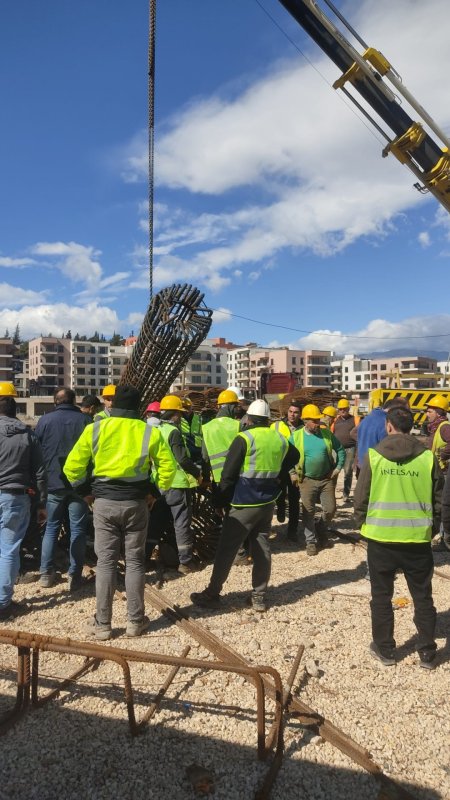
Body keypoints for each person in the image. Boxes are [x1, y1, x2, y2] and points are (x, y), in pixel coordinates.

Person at [64, 385, 175, 640]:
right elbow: (168, 469)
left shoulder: (95, 429)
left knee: (105, 563)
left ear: (111, 406)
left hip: (104, 503)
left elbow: (71, 468)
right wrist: (154, 493)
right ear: (137, 407)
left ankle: (103, 624)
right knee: (135, 562)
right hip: (137, 504)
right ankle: (136, 621)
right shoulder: (150, 432)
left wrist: (86, 493)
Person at [354, 406, 443, 670]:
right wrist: (431, 526)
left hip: (381, 540)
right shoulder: (427, 458)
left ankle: (385, 650)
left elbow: (361, 497)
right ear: (411, 426)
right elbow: (439, 499)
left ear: (389, 427)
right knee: (423, 596)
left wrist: (362, 524)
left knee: (381, 596)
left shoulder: (375, 457)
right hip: (417, 541)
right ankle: (427, 651)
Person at [191, 399, 299, 612]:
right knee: (262, 549)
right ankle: (258, 596)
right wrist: (279, 476)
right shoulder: (279, 438)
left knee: (226, 550)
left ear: (248, 419)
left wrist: (219, 501)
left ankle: (212, 594)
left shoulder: (244, 438)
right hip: (267, 503)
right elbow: (294, 456)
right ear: (268, 420)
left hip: (243, 503)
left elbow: (228, 475)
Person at [35, 387, 91, 591]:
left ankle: (45, 573)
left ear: (55, 402)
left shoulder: (45, 420)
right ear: (75, 400)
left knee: (51, 528)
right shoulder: (85, 420)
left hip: (53, 484)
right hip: (79, 484)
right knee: (78, 529)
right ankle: (75, 576)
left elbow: (37, 449)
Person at [0, 391, 47, 619]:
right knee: (8, 550)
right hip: (15, 498)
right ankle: (2, 603)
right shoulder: (27, 435)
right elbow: (40, 472)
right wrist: (40, 503)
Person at [156, 395, 202, 574]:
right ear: (174, 414)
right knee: (181, 522)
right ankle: (185, 561)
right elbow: (182, 458)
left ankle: (146, 558)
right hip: (177, 482)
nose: (181, 417)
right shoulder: (173, 432)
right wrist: (197, 472)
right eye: (180, 414)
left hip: (160, 482)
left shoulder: (155, 429)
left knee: (157, 521)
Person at [291, 404, 345, 556]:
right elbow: (286, 457)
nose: (317, 423)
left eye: (318, 420)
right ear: (306, 421)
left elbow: (340, 450)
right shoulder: (296, 437)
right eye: (314, 421)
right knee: (308, 511)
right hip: (306, 480)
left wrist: (338, 468)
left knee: (330, 509)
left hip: (326, 479)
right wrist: (291, 472)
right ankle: (311, 541)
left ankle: (321, 529)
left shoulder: (326, 434)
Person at [352, 397, 410, 476]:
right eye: (405, 412)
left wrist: (364, 440)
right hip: (376, 469)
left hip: (362, 466)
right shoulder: (387, 422)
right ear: (398, 409)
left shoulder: (368, 418)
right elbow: (390, 451)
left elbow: (353, 433)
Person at [270, 401, 303, 540]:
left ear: (299, 414)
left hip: (297, 469)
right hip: (280, 468)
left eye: (295, 412)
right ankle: (281, 508)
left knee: (295, 500)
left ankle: (292, 530)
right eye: (290, 412)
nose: (292, 415)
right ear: (286, 412)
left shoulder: (303, 428)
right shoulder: (276, 425)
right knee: (279, 493)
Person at [202, 390, 240, 484]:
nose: (237, 410)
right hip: (236, 476)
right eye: (236, 407)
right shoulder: (238, 425)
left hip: (217, 478)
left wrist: (206, 479)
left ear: (219, 406)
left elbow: (205, 457)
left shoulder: (207, 427)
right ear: (231, 407)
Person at [333, 398, 357, 503]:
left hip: (350, 449)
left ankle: (346, 494)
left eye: (344, 408)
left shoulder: (355, 420)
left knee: (348, 472)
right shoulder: (335, 420)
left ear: (348, 408)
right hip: (337, 450)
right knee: (335, 472)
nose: (342, 410)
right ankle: (331, 494)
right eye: (341, 409)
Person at [180, 397, 203, 463]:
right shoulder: (178, 420)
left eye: (187, 407)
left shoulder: (199, 419)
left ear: (191, 407)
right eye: (184, 407)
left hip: (198, 454)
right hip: (185, 454)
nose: (186, 410)